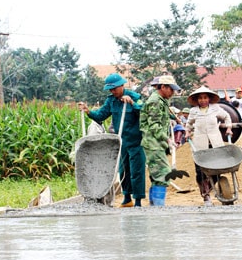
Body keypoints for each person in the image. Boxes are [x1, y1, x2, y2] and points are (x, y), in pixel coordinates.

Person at [77, 73, 146, 208]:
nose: (113, 91)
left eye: (114, 89)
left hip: (136, 140)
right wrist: (88, 111)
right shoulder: (111, 101)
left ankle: (137, 200)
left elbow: (144, 112)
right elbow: (100, 115)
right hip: (120, 141)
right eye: (110, 89)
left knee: (136, 170)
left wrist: (131, 103)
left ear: (122, 85)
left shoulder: (135, 97)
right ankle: (127, 198)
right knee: (123, 169)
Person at [185, 86, 233, 206]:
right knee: (200, 170)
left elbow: (226, 116)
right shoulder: (193, 111)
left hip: (215, 143)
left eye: (205, 97)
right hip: (200, 144)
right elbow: (189, 124)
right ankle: (206, 195)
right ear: (197, 100)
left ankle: (210, 187)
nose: (203, 100)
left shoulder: (215, 108)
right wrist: (187, 132)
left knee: (217, 168)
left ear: (209, 98)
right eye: (200, 98)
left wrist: (229, 127)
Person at [139, 75, 181, 206]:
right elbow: (154, 125)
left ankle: (155, 205)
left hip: (155, 143)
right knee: (163, 174)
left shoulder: (161, 100)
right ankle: (158, 207)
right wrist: (167, 139)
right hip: (153, 143)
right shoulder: (155, 101)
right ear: (163, 87)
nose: (173, 92)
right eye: (171, 89)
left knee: (157, 176)